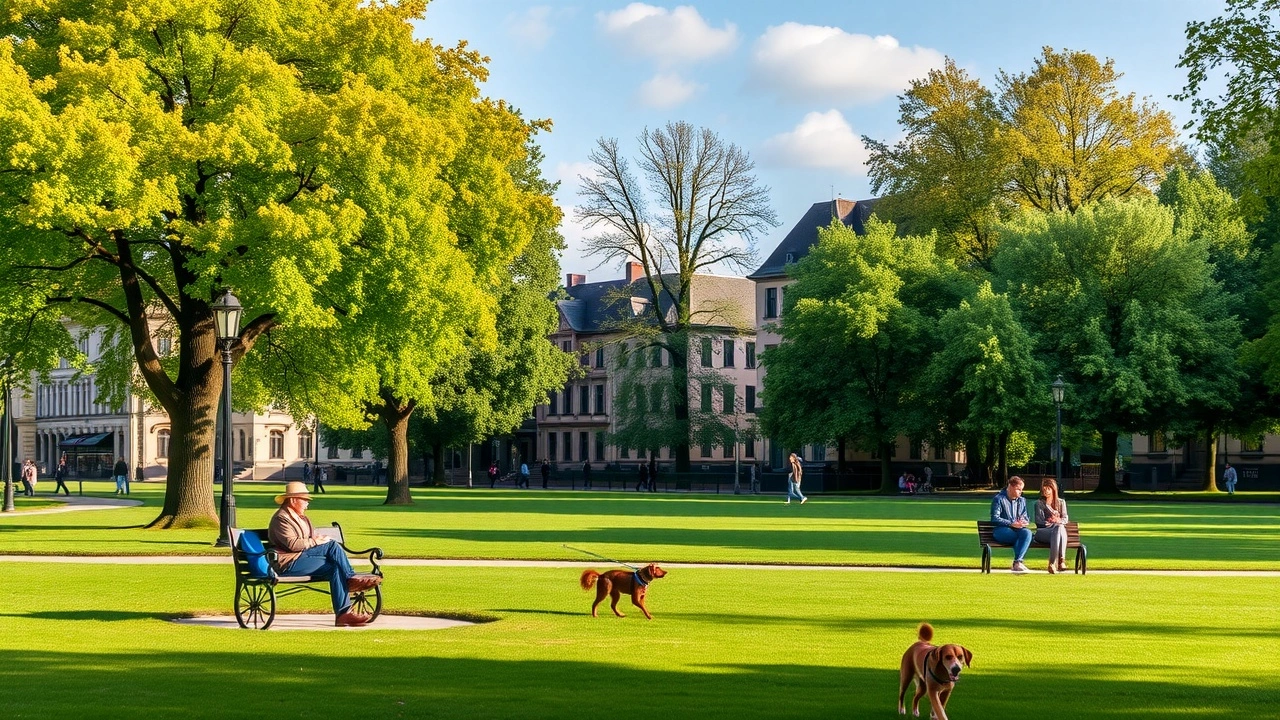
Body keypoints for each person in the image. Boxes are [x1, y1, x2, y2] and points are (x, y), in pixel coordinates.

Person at [268, 481, 381, 627]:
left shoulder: (301, 518)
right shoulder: (281, 518)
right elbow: (293, 545)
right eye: (304, 500)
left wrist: (317, 539)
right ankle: (351, 577)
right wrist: (316, 541)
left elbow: (308, 538)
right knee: (332, 545)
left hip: (302, 558)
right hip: (288, 563)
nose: (307, 503)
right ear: (293, 500)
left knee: (335, 568)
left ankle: (343, 615)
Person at [991, 476, 1033, 573]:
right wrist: (1011, 523)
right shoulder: (999, 499)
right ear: (1010, 486)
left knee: (1027, 533)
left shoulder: (1022, 500)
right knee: (1021, 538)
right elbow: (995, 518)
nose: (1021, 492)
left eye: (1021, 489)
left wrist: (1023, 521)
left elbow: (1025, 516)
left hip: (1018, 529)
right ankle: (1018, 563)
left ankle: (1017, 562)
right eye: (1018, 489)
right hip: (1002, 530)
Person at [1034, 478, 1070, 574]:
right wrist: (1052, 522)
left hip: (1057, 533)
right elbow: (1039, 522)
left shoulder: (1061, 502)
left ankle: (1053, 563)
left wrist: (1058, 521)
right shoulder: (1039, 503)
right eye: (1044, 489)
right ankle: (1059, 561)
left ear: (1053, 490)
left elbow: (1065, 519)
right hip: (1043, 532)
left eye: (1048, 489)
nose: (1046, 492)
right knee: (1058, 528)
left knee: (1059, 527)